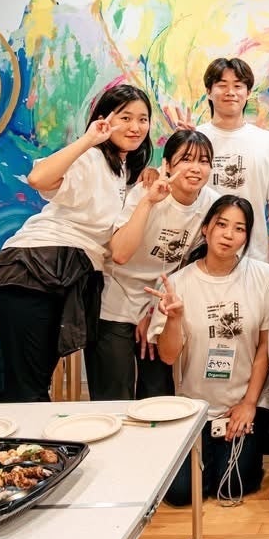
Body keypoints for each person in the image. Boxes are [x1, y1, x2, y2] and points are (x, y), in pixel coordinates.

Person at [0, 83, 152, 403]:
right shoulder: (90, 156)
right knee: (28, 388)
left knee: (33, 382)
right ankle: (20, 437)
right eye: (125, 118)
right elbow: (38, 179)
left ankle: (27, 434)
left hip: (67, 272)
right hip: (35, 269)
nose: (135, 127)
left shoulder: (122, 169)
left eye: (143, 119)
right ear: (104, 120)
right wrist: (88, 139)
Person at [152, 195, 269, 506]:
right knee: (181, 494)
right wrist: (174, 320)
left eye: (239, 228)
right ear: (206, 228)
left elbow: (265, 346)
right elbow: (168, 356)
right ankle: (206, 450)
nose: (228, 234)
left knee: (232, 485)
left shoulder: (262, 276)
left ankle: (229, 453)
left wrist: (249, 403)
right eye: (221, 224)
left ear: (247, 237)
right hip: (194, 407)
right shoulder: (178, 283)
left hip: (243, 402)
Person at [90, 129, 218, 401]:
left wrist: (153, 311)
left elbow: (188, 265)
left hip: (159, 301)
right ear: (167, 165)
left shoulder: (211, 204)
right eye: (186, 159)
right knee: (114, 394)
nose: (195, 168)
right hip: (116, 298)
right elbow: (120, 254)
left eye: (204, 161)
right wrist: (148, 201)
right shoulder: (147, 191)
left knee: (157, 395)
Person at [174, 57, 269, 279]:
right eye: (222, 85)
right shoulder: (195, 139)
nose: (231, 92)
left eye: (238, 86)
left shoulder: (268, 143)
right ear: (209, 92)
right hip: (197, 253)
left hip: (253, 255)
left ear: (248, 92)